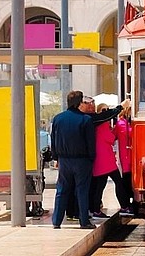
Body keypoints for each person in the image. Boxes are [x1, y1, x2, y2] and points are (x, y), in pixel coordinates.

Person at [51, 90, 96, 229]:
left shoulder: (58, 119)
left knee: (62, 190)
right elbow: (90, 142)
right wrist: (91, 158)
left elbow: (54, 140)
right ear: (78, 103)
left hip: (64, 160)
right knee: (82, 190)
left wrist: (55, 157)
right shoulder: (86, 120)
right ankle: (84, 221)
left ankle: (56, 221)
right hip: (82, 160)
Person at [89, 104, 130, 218]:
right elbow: (110, 138)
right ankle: (124, 206)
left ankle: (96, 209)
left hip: (101, 159)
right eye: (104, 110)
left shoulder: (97, 124)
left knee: (100, 186)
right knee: (118, 182)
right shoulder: (103, 124)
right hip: (106, 159)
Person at [114, 103, 135, 215]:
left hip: (132, 156)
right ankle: (126, 204)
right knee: (125, 180)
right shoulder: (121, 124)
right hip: (125, 156)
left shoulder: (129, 123)